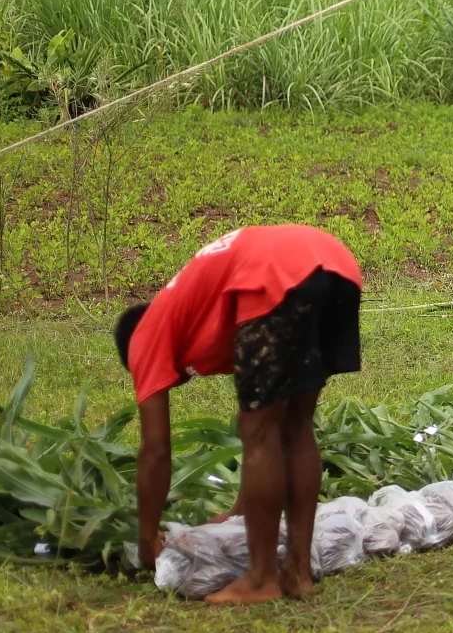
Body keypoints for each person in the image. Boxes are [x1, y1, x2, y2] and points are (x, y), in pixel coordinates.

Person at [117, 224, 364, 604]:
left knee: (260, 432)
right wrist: (238, 511)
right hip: (337, 264)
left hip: (275, 276)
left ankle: (261, 580)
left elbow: (155, 451)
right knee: (295, 427)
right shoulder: (194, 312)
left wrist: (147, 537)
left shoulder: (145, 334)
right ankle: (297, 573)